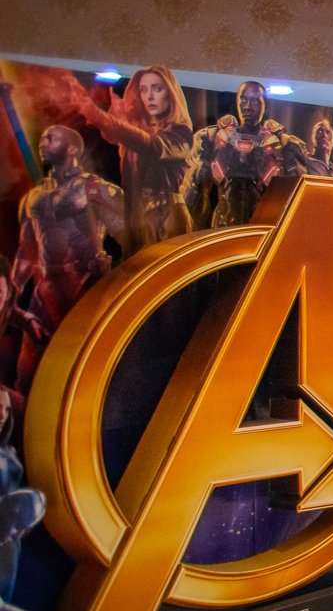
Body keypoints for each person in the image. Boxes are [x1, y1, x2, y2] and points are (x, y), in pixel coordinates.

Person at [11, 126, 126, 382]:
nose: (42, 143)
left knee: (88, 367)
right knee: (29, 371)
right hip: (45, 291)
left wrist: (119, 279)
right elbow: (26, 251)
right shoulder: (34, 197)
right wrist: (13, 291)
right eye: (42, 138)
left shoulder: (92, 188)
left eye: (50, 138)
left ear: (72, 148)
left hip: (84, 286)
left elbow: (129, 234)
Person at [70, 64, 195, 251]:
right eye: (143, 90)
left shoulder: (180, 133)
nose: (149, 96)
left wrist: (97, 115)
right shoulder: (140, 132)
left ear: (170, 94)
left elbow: (150, 144)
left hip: (166, 219)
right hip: (138, 216)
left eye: (157, 89)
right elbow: (119, 136)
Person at [194, 80, 307, 228]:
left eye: (255, 102)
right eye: (243, 100)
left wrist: (284, 138)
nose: (248, 107)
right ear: (237, 102)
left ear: (264, 105)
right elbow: (196, 186)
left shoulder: (276, 142)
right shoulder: (217, 136)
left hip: (259, 223)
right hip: (223, 220)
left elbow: (297, 190)